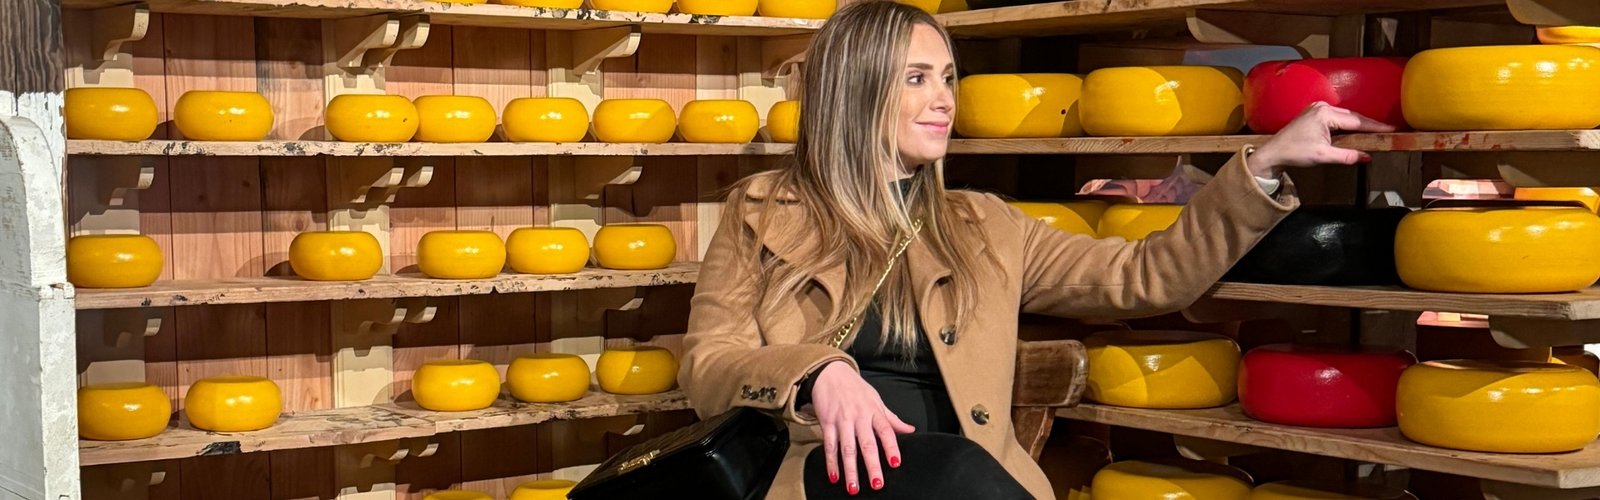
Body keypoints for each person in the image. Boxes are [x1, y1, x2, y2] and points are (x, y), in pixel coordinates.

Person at [677, 1, 1395, 499]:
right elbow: (707, 366)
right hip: (825, 473)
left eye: (949, 78)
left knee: (961, 472)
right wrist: (816, 374)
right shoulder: (768, 210)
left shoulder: (985, 224)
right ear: (854, 92)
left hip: (965, 480)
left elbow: (1141, 279)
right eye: (917, 78)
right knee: (956, 475)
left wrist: (1262, 165)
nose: (944, 100)